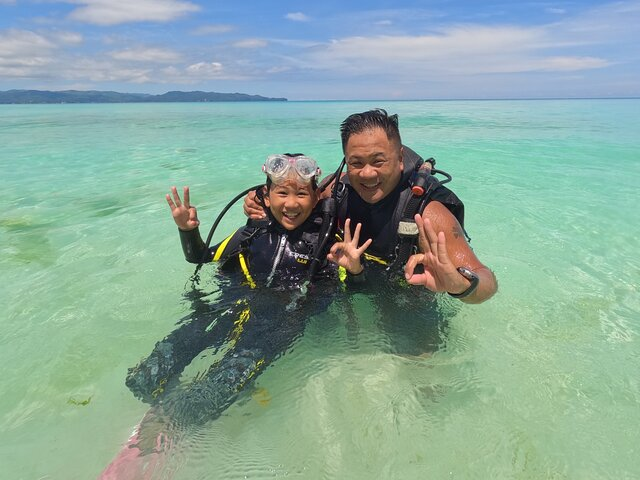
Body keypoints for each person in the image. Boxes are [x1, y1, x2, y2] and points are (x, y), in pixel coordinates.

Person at [101, 154, 370, 478]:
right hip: (226, 307)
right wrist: (188, 231)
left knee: (223, 382)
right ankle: (154, 409)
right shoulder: (251, 234)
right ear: (266, 196)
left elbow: (347, 292)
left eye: (301, 194)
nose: (291, 203)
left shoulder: (324, 243)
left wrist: (354, 270)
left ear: (315, 198)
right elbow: (202, 257)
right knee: (147, 375)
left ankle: (171, 424)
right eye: (282, 193)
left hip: (277, 324)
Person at [244, 111, 497, 355]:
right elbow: (296, 202)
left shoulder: (428, 214)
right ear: (345, 160)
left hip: (409, 301)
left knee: (423, 379)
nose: (367, 173)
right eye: (356, 163)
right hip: (357, 288)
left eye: (378, 161)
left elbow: (487, 281)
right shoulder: (336, 188)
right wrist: (258, 201)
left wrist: (459, 285)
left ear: (399, 159)